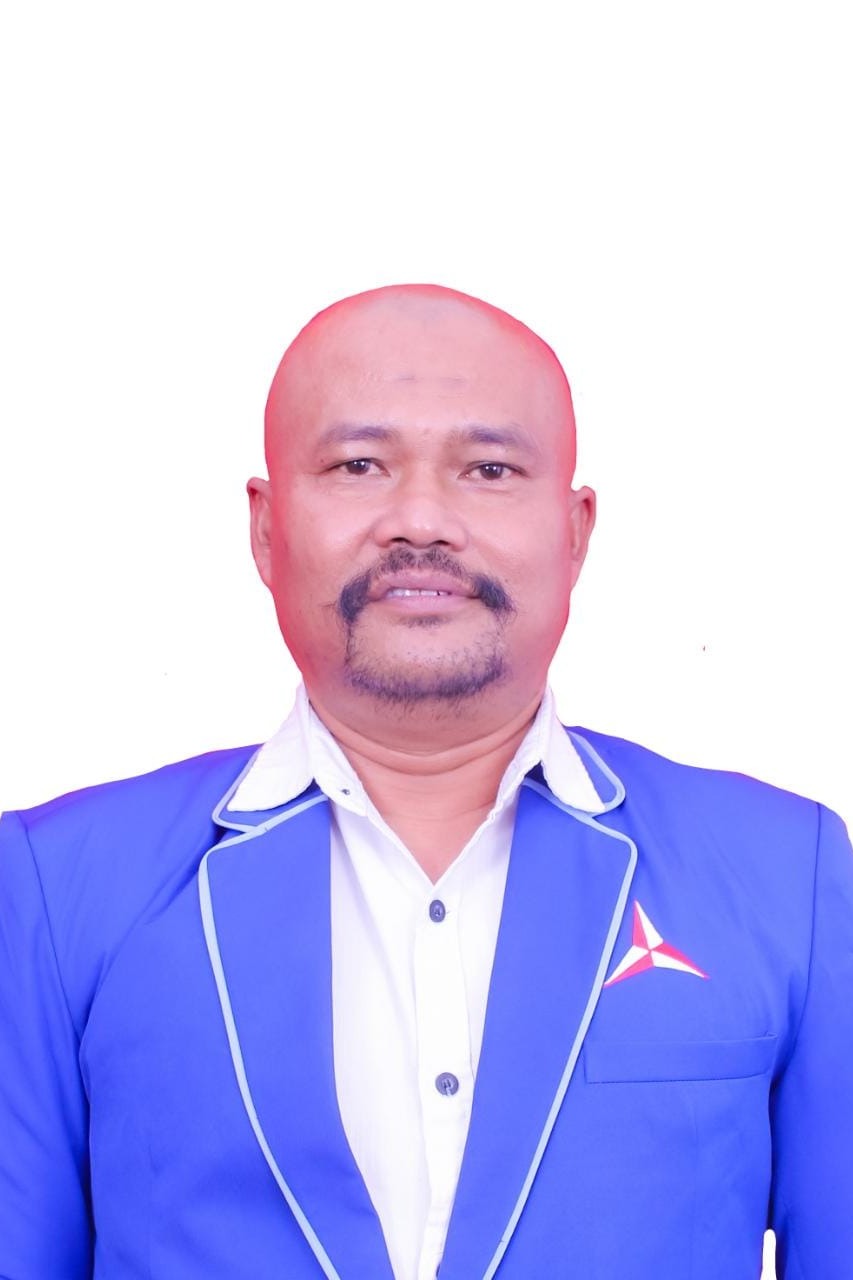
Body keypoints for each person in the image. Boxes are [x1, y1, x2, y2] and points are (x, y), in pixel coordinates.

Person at [1, 284, 851, 1280]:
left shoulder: (783, 872)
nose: (420, 519)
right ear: (267, 529)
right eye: (358, 465)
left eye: (488, 468)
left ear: (574, 530)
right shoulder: (56, 885)